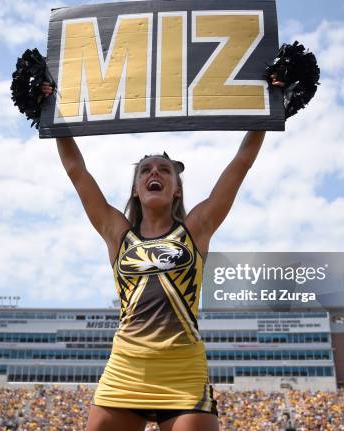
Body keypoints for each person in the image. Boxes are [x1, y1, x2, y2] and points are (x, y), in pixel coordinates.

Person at [40, 77, 281, 431]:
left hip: (183, 372)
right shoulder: (116, 233)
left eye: (163, 170)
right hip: (126, 370)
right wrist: (51, 108)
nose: (155, 172)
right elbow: (77, 172)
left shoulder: (196, 228)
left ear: (177, 189)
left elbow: (241, 162)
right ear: (136, 190)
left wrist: (271, 103)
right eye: (146, 171)